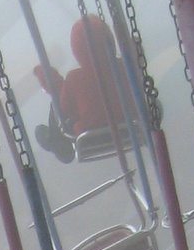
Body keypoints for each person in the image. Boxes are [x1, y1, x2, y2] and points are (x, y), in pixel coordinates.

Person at [32, 14, 128, 164]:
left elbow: (64, 107)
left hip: (91, 138)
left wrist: (49, 78)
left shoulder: (75, 79)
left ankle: (55, 140)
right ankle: (56, 139)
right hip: (129, 129)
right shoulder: (126, 67)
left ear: (77, 50)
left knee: (59, 108)